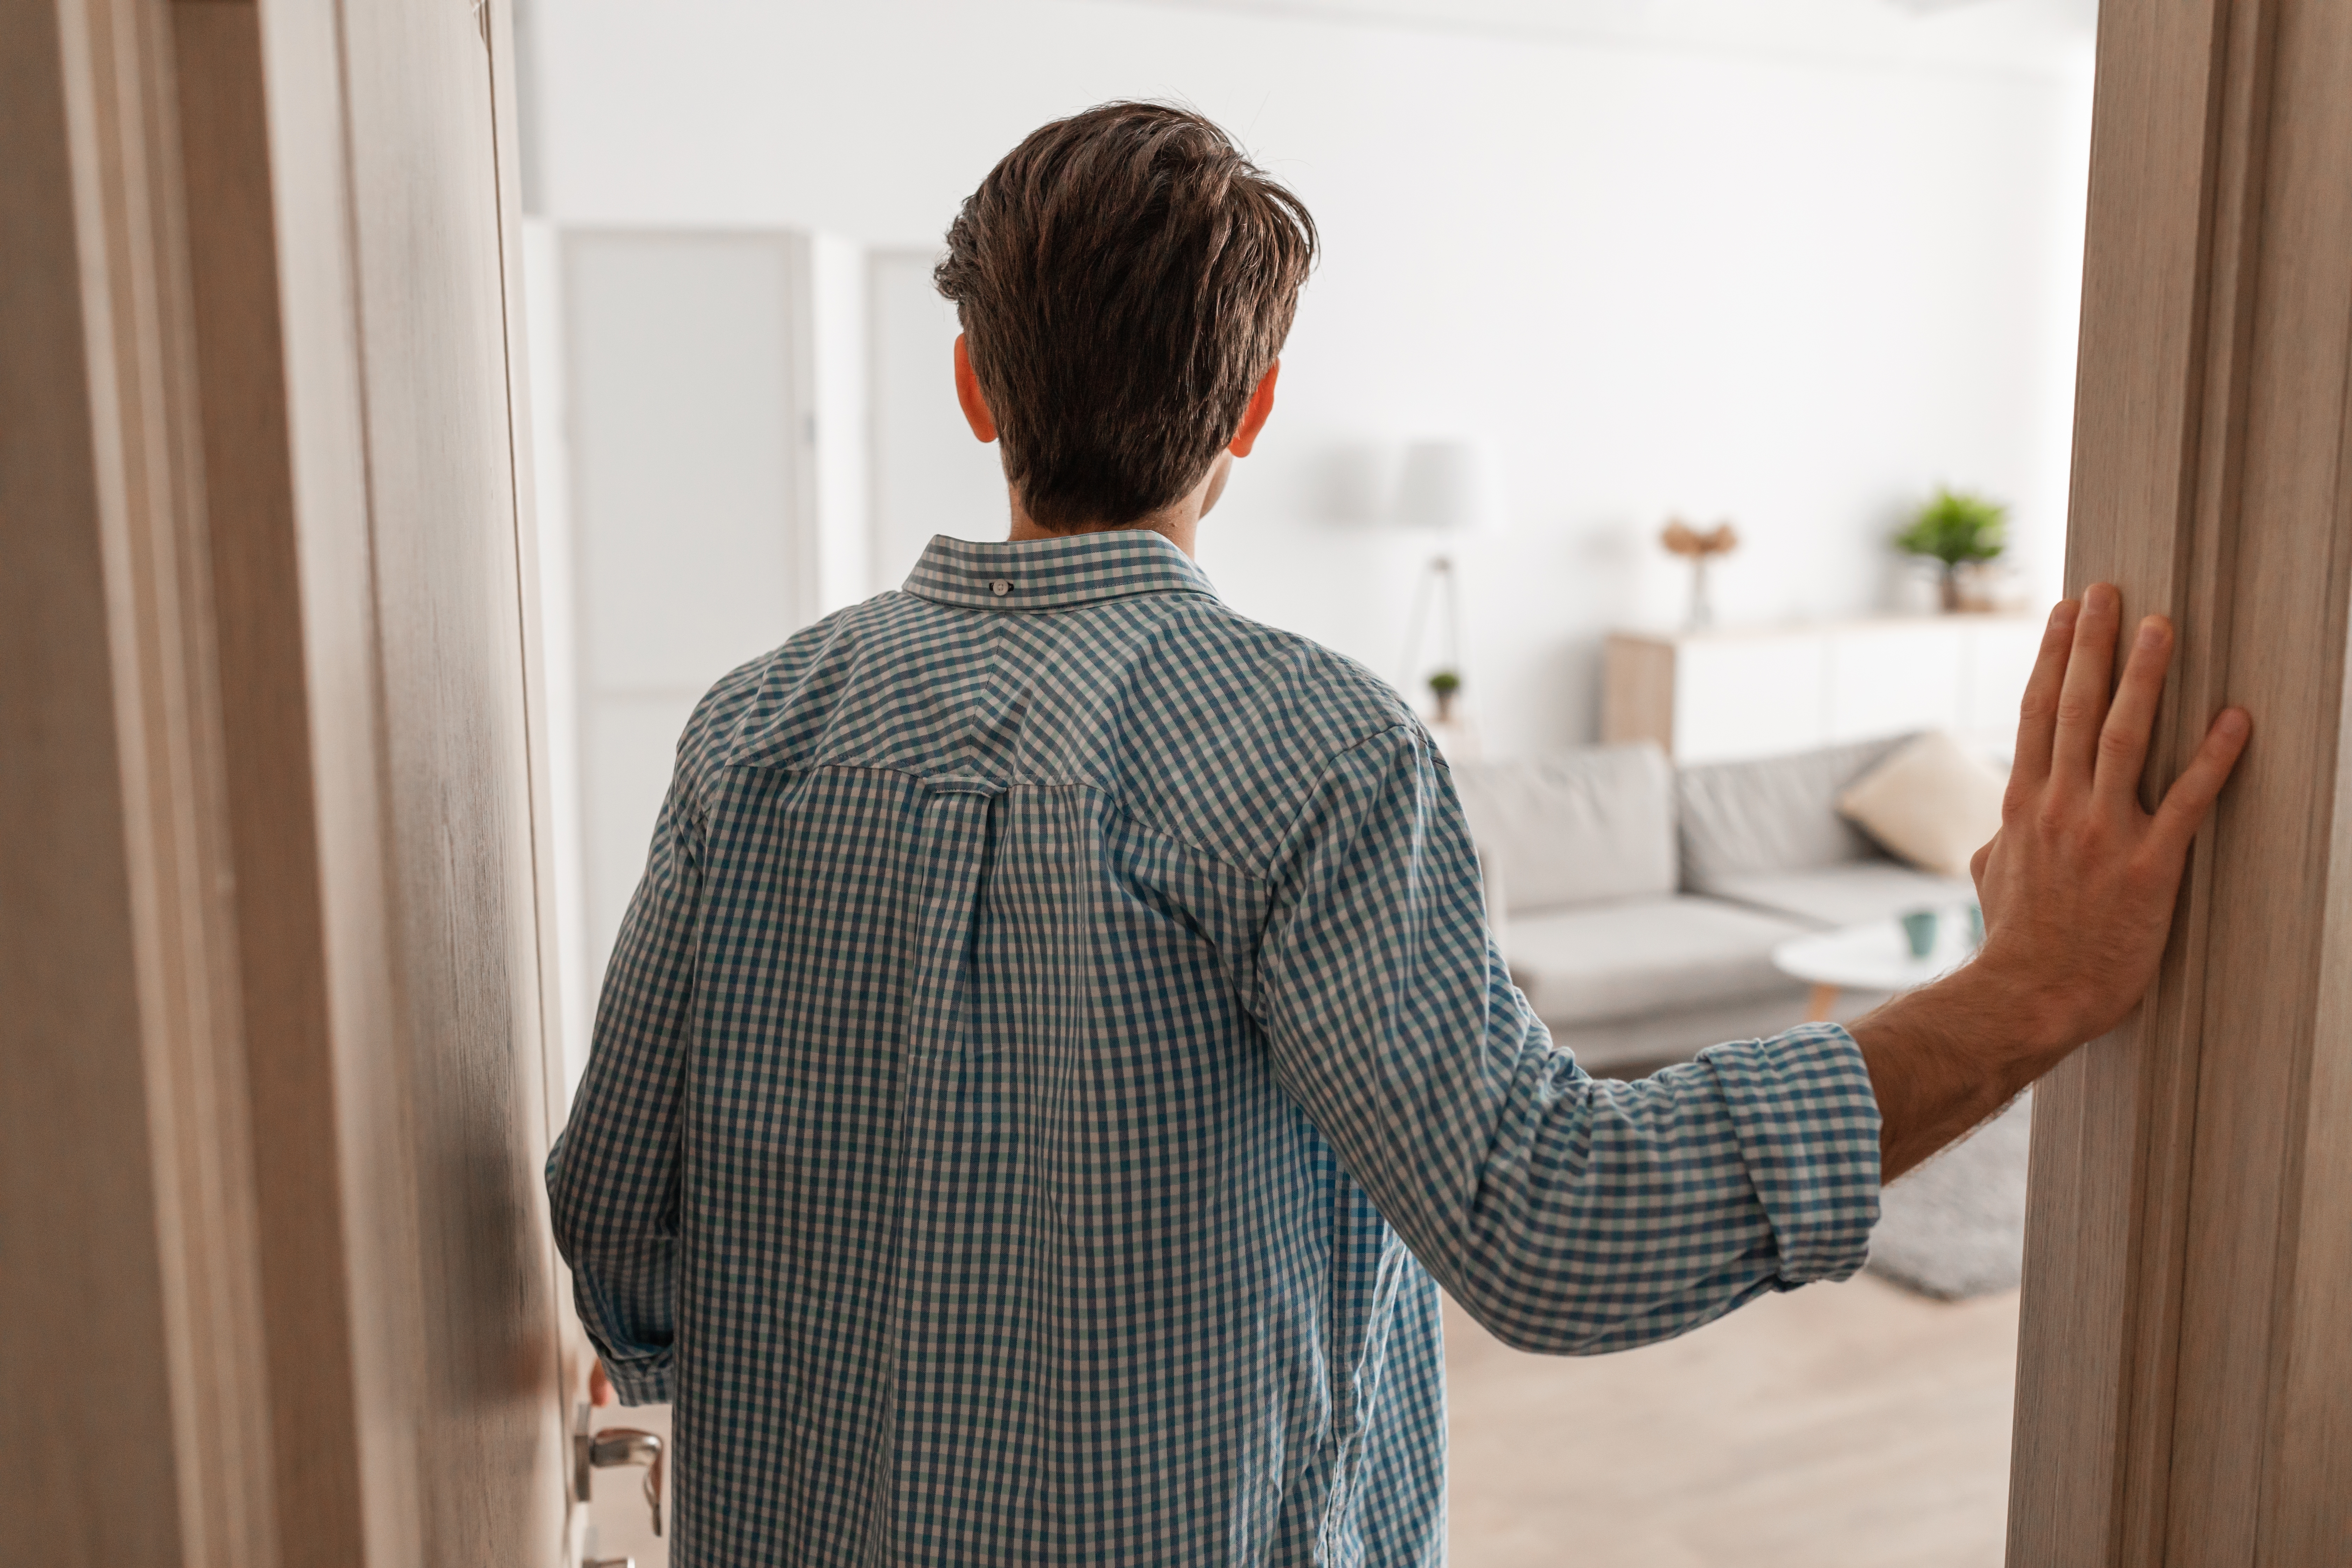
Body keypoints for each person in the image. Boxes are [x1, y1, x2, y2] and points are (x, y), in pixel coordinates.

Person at [547, 102, 2249, 1566]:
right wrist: (2033, 982)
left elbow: (614, 1206)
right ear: (1255, 412)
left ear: (974, 384)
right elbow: (1555, 1228)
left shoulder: (753, 732)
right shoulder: (1314, 750)